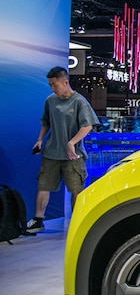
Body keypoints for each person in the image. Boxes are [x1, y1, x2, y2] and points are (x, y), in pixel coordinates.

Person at [26, 66, 99, 232]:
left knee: (76, 190)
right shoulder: (50, 101)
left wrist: (72, 142)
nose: (53, 88)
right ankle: (38, 219)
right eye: (50, 85)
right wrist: (39, 140)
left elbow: (87, 126)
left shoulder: (79, 101)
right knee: (43, 185)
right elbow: (46, 122)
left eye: (55, 84)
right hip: (52, 153)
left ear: (65, 82)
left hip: (74, 156)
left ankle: (77, 221)